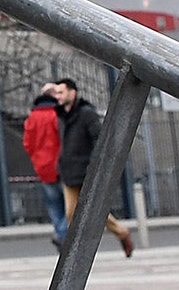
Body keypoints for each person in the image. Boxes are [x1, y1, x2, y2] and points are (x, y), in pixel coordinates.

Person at [49, 78, 133, 258]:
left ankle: (120, 234)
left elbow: (99, 139)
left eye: (61, 92)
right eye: (56, 93)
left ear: (73, 93)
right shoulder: (61, 115)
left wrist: (96, 165)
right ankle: (117, 234)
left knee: (95, 212)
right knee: (72, 213)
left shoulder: (87, 113)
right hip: (69, 171)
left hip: (87, 171)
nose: (58, 97)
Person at [21, 90, 66, 245]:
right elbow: (64, 140)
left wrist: (37, 159)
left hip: (43, 168)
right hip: (61, 167)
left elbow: (28, 144)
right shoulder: (57, 115)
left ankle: (60, 233)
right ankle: (62, 234)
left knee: (54, 205)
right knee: (72, 205)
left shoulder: (32, 118)